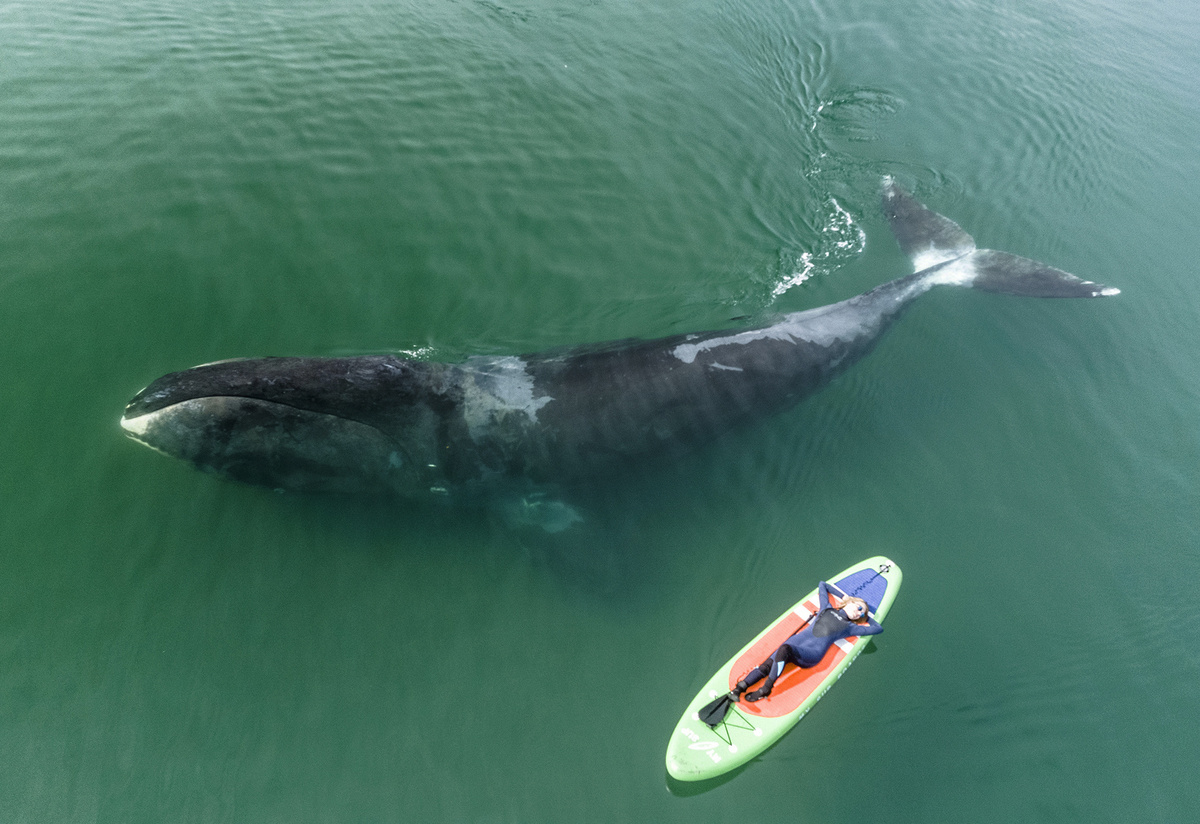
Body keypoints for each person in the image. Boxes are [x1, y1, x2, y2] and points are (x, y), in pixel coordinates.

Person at [731, 581, 883, 702]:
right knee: (765, 666)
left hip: (811, 654)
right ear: (849, 602)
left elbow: (878, 628)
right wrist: (844, 597)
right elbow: (823, 584)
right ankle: (740, 688)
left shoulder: (850, 627)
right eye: (858, 607)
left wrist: (866, 617)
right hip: (796, 643)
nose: (859, 613)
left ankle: (766, 688)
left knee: (784, 649)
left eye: (862, 613)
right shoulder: (826, 608)